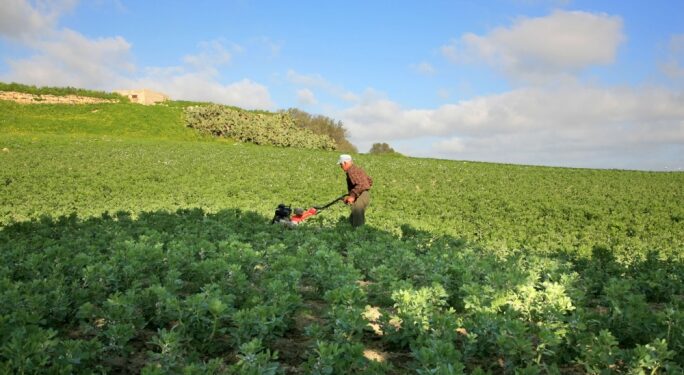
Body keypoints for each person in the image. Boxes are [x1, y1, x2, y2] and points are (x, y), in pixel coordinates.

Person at [338, 154, 372, 227]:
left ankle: (359, 236)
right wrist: (351, 195)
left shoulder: (351, 171)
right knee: (353, 219)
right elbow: (369, 181)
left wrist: (352, 196)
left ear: (345, 163)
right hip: (364, 195)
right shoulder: (357, 169)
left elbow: (361, 184)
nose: (341, 167)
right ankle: (353, 233)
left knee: (357, 222)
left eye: (341, 164)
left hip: (361, 196)